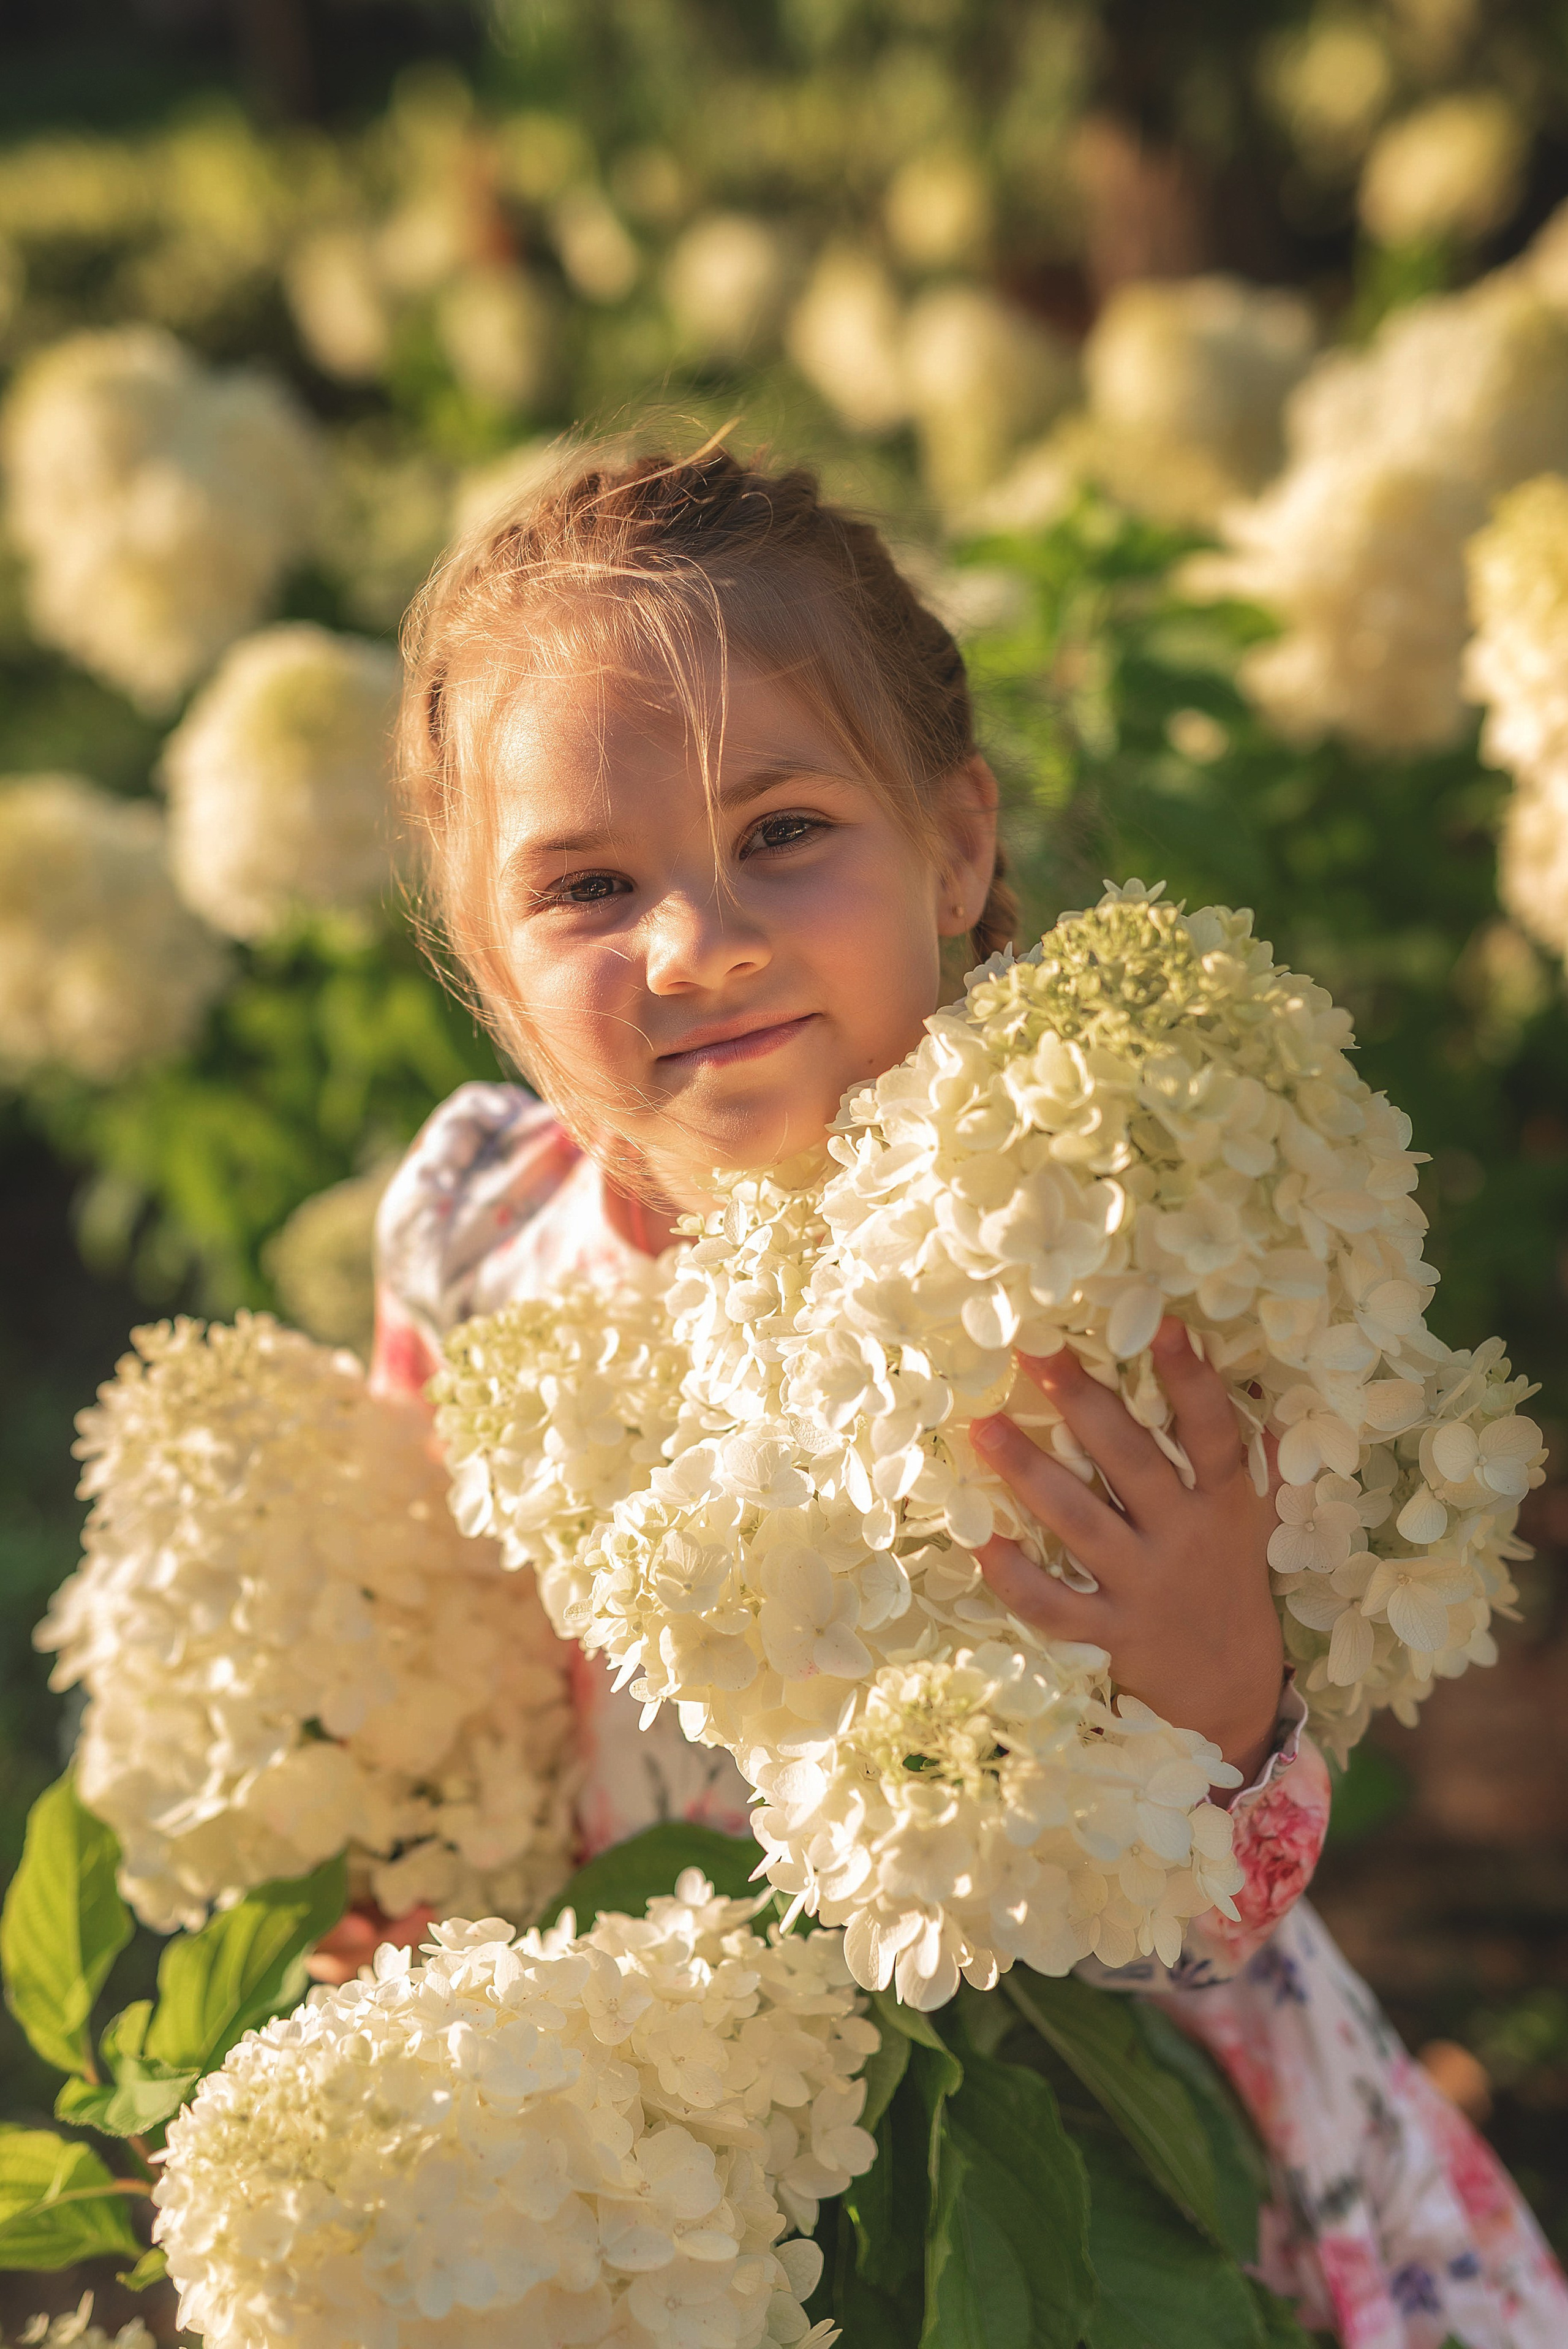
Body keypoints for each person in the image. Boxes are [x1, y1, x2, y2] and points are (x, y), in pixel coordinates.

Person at [368, 439, 1566, 2348]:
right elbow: (432, 1612)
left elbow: (1208, 1903)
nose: (699, 941)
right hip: (678, 2121)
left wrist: (1212, 1678)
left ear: (956, 841)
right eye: (589, 885)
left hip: (1108, 2113)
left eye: (781, 832)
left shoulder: (1098, 1254)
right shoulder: (475, 1235)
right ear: (497, 978)